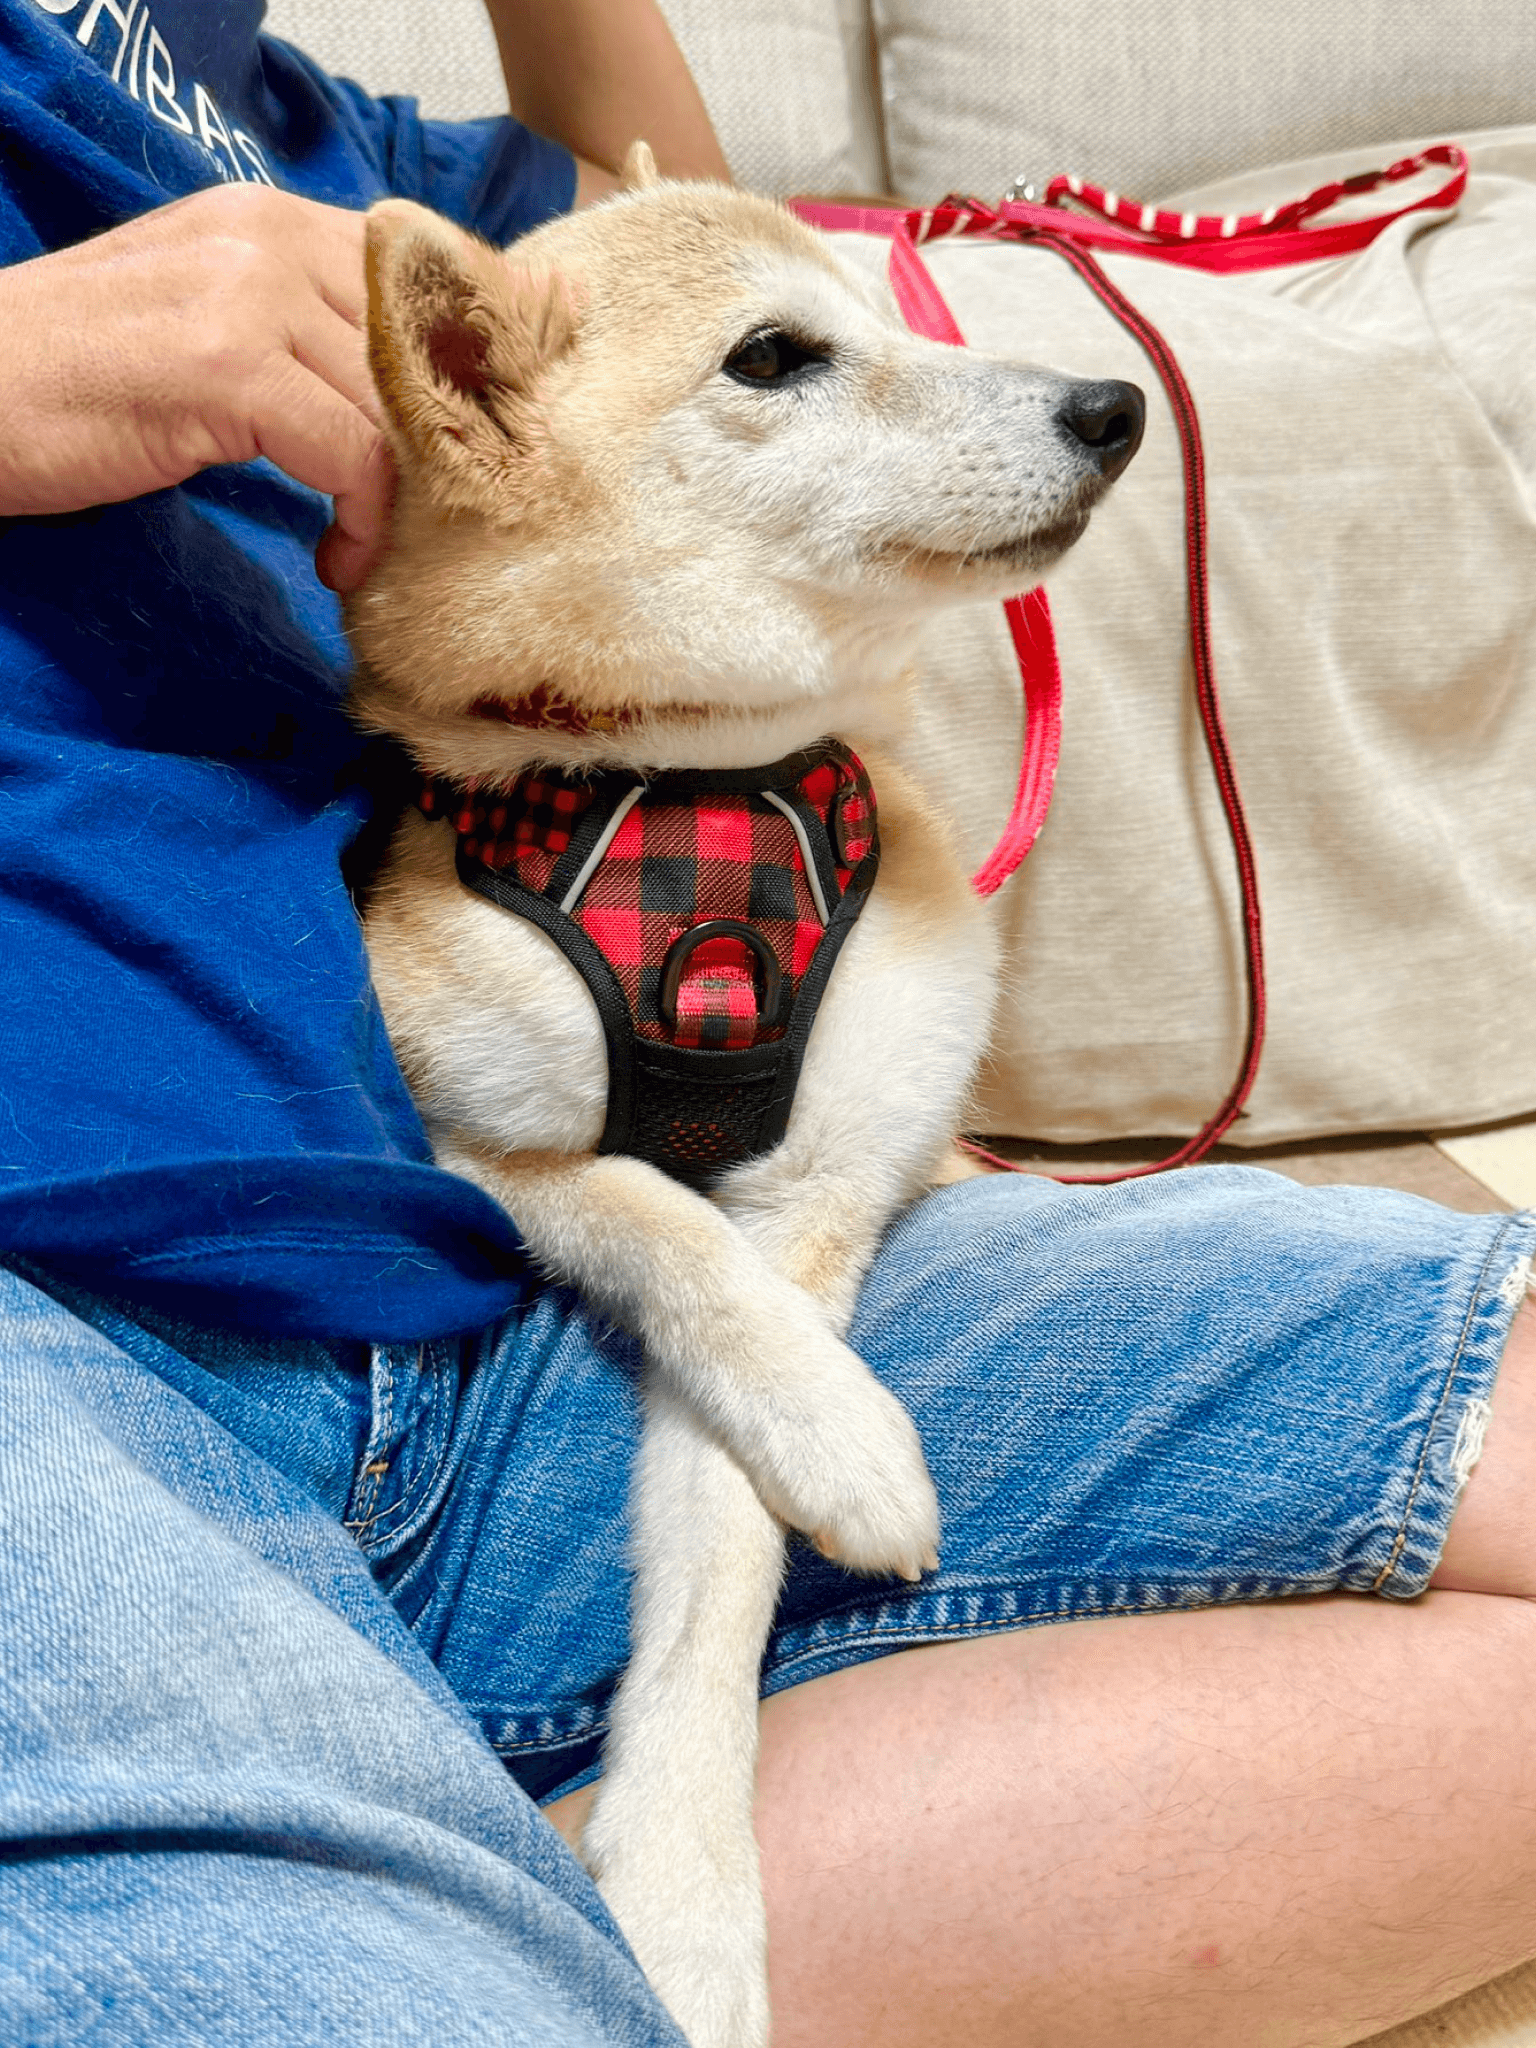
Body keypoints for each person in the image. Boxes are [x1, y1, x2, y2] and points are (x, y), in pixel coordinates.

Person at [1, 3, 1534, 2044]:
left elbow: (697, 251)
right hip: (70, 1317)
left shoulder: (274, 110)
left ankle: (528, 1855)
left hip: (486, 1309)